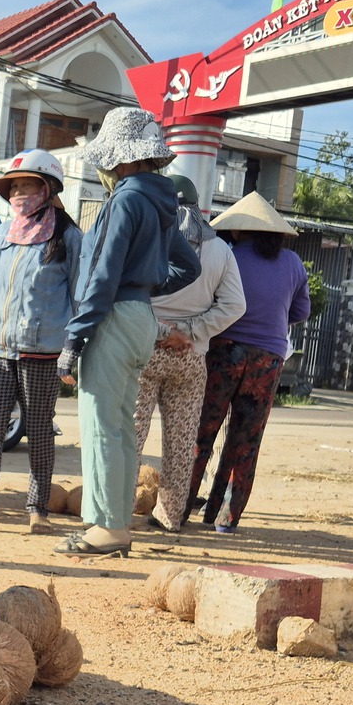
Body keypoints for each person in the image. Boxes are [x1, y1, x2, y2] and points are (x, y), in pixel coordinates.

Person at [57, 108, 200, 558]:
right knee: (118, 428)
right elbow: (188, 266)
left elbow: (101, 275)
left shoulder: (123, 200)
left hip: (112, 317)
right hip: (139, 317)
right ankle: (114, 524)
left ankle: (107, 528)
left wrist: (74, 340)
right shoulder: (162, 202)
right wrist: (148, 283)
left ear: (118, 158)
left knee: (103, 429)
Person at [0, 150, 80, 534]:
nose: (20, 192)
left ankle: (37, 510)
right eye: (14, 186)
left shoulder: (68, 237)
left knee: (38, 432)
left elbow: (80, 295)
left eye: (29, 185)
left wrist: (72, 350)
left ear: (49, 188)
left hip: (42, 352)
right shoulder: (1, 234)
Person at [132, 174, 246, 532]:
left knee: (129, 435)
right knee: (182, 442)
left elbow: (129, 298)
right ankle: (170, 518)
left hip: (142, 349)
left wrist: (164, 330)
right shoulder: (220, 250)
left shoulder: (148, 239)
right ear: (200, 206)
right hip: (190, 357)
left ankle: (116, 513)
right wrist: (190, 332)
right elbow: (234, 305)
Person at [190, 192, 309, 533]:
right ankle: (224, 519)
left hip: (223, 351)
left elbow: (205, 301)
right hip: (268, 361)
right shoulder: (293, 264)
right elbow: (300, 312)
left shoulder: (226, 255)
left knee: (202, 434)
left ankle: (178, 509)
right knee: (246, 440)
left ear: (238, 230)